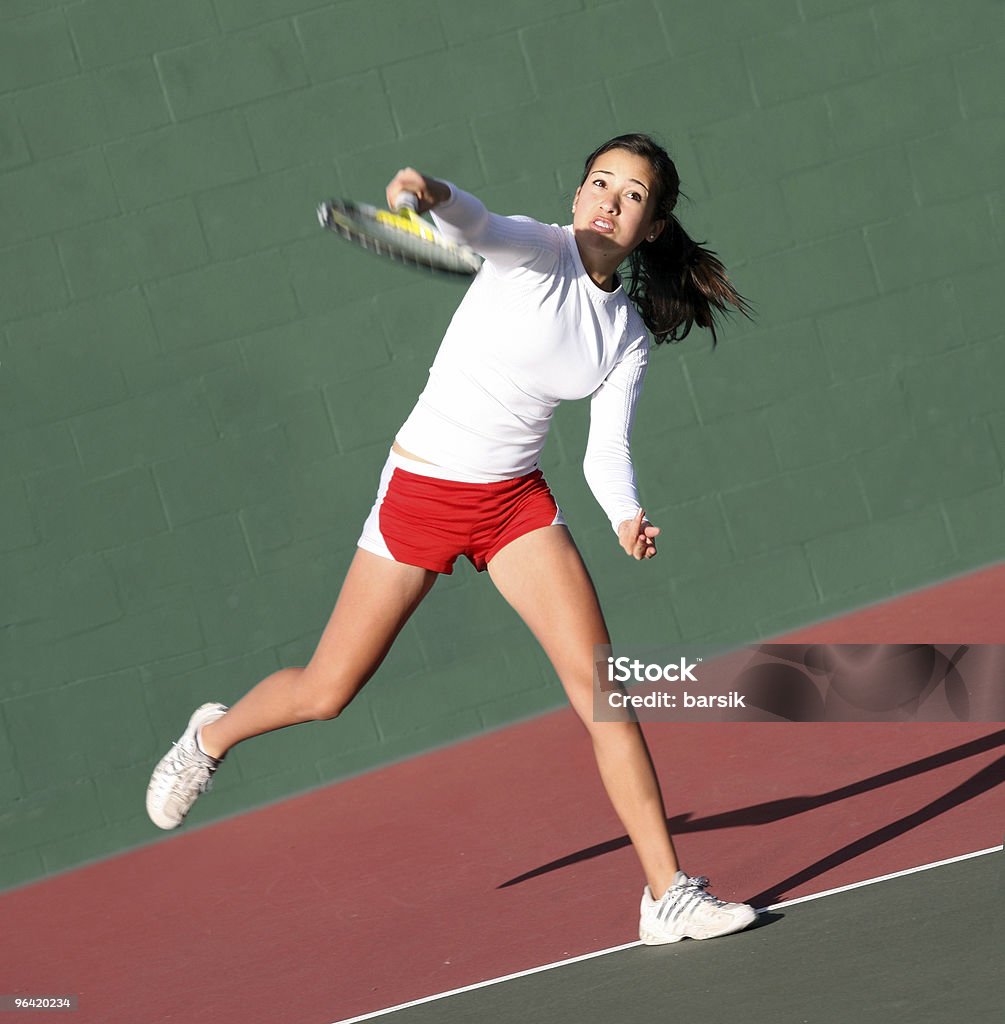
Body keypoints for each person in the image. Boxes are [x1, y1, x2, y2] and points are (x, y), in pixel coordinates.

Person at [147, 133, 756, 944]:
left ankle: (664, 894)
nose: (609, 199)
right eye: (599, 182)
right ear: (576, 195)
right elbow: (478, 225)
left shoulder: (626, 334)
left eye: (632, 194)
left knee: (602, 694)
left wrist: (622, 514)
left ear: (650, 226)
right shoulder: (534, 250)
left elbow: (605, 447)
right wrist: (432, 194)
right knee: (327, 692)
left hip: (515, 508)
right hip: (423, 495)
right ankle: (210, 736)